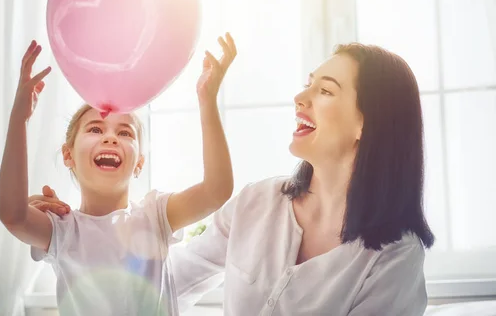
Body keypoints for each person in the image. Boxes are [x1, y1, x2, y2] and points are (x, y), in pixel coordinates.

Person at [30, 42, 435, 315]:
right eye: (307, 84)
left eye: (325, 91)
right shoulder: (258, 202)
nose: (300, 97)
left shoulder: (395, 257)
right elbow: (166, 281)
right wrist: (92, 235)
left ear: (367, 122)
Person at [0, 34, 237, 316]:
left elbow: (217, 190)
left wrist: (207, 100)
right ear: (68, 155)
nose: (111, 138)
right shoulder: (62, 229)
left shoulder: (155, 215)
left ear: (139, 163)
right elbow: (13, 215)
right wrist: (19, 118)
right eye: (95, 129)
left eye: (124, 133)